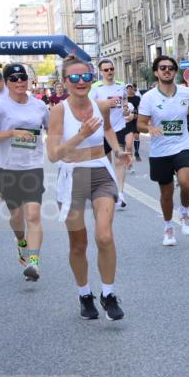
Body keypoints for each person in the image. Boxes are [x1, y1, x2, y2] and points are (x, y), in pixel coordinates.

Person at [47, 55, 129, 320]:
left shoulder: (100, 105)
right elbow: (53, 154)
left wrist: (118, 151)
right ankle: (84, 294)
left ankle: (108, 293)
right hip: (72, 177)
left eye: (85, 77)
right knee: (78, 243)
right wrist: (80, 135)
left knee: (104, 236)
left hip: (100, 173)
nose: (81, 82)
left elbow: (107, 130)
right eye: (74, 78)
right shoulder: (58, 111)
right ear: (64, 82)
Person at [0, 63, 49, 281]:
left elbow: (53, 130)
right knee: (16, 216)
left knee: (34, 215)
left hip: (32, 166)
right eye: (14, 78)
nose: (19, 82)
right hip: (7, 168)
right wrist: (12, 132)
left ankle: (34, 262)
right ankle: (20, 240)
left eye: (23, 78)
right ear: (7, 82)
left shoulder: (39, 106)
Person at [137, 56, 189, 246]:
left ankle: (184, 211)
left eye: (170, 68)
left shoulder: (186, 92)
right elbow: (140, 124)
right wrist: (149, 128)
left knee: (186, 183)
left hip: (182, 145)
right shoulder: (149, 97)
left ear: (175, 72)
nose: (167, 70)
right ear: (156, 72)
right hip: (160, 150)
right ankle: (168, 227)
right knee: (166, 193)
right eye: (162, 68)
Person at [90, 59, 132, 209]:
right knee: (106, 163)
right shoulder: (95, 88)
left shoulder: (121, 85)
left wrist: (126, 109)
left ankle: (120, 193)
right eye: (106, 70)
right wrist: (105, 104)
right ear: (101, 72)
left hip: (118, 127)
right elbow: (89, 106)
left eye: (111, 69)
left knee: (119, 160)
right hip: (101, 129)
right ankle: (109, 189)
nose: (109, 72)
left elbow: (125, 101)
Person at [124, 84, 142, 161]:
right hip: (127, 120)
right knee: (127, 138)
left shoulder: (137, 98)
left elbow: (140, 108)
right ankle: (126, 153)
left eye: (130, 88)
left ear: (133, 89)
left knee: (137, 136)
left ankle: (137, 152)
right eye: (127, 88)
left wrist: (138, 115)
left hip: (136, 119)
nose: (129, 90)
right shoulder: (125, 99)